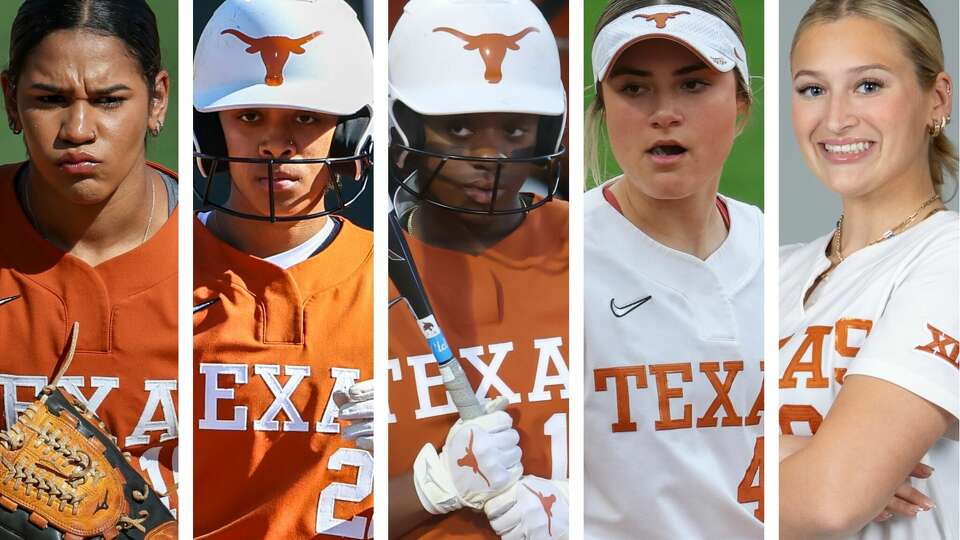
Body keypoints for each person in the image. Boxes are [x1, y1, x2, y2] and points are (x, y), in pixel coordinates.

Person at [386, 0, 569, 538]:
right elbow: (304, 508)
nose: (491, 156)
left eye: (515, 130)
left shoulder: (596, 245)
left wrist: (587, 510)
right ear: (407, 126)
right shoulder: (359, 273)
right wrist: (431, 486)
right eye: (460, 129)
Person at [191, 0, 374, 538]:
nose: (276, 143)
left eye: (307, 117)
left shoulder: (397, 278)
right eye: (249, 117)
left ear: (349, 135)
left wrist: (418, 440)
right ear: (210, 134)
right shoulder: (163, 264)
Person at [583, 1, 764, 538]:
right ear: (602, 109)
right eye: (633, 89)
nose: (664, 112)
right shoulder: (558, 257)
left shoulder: (786, 259)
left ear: (740, 104)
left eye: (693, 84)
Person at [779, 0, 958, 538]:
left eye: (869, 86)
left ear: (937, 99)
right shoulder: (772, 269)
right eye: (813, 89)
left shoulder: (948, 258)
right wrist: (788, 453)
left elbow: (830, 502)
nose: (835, 119)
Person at [0, 0, 177, 511]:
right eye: (50, 98)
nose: (78, 129)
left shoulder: (218, 250)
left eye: (108, 100)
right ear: (11, 101)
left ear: (157, 99)